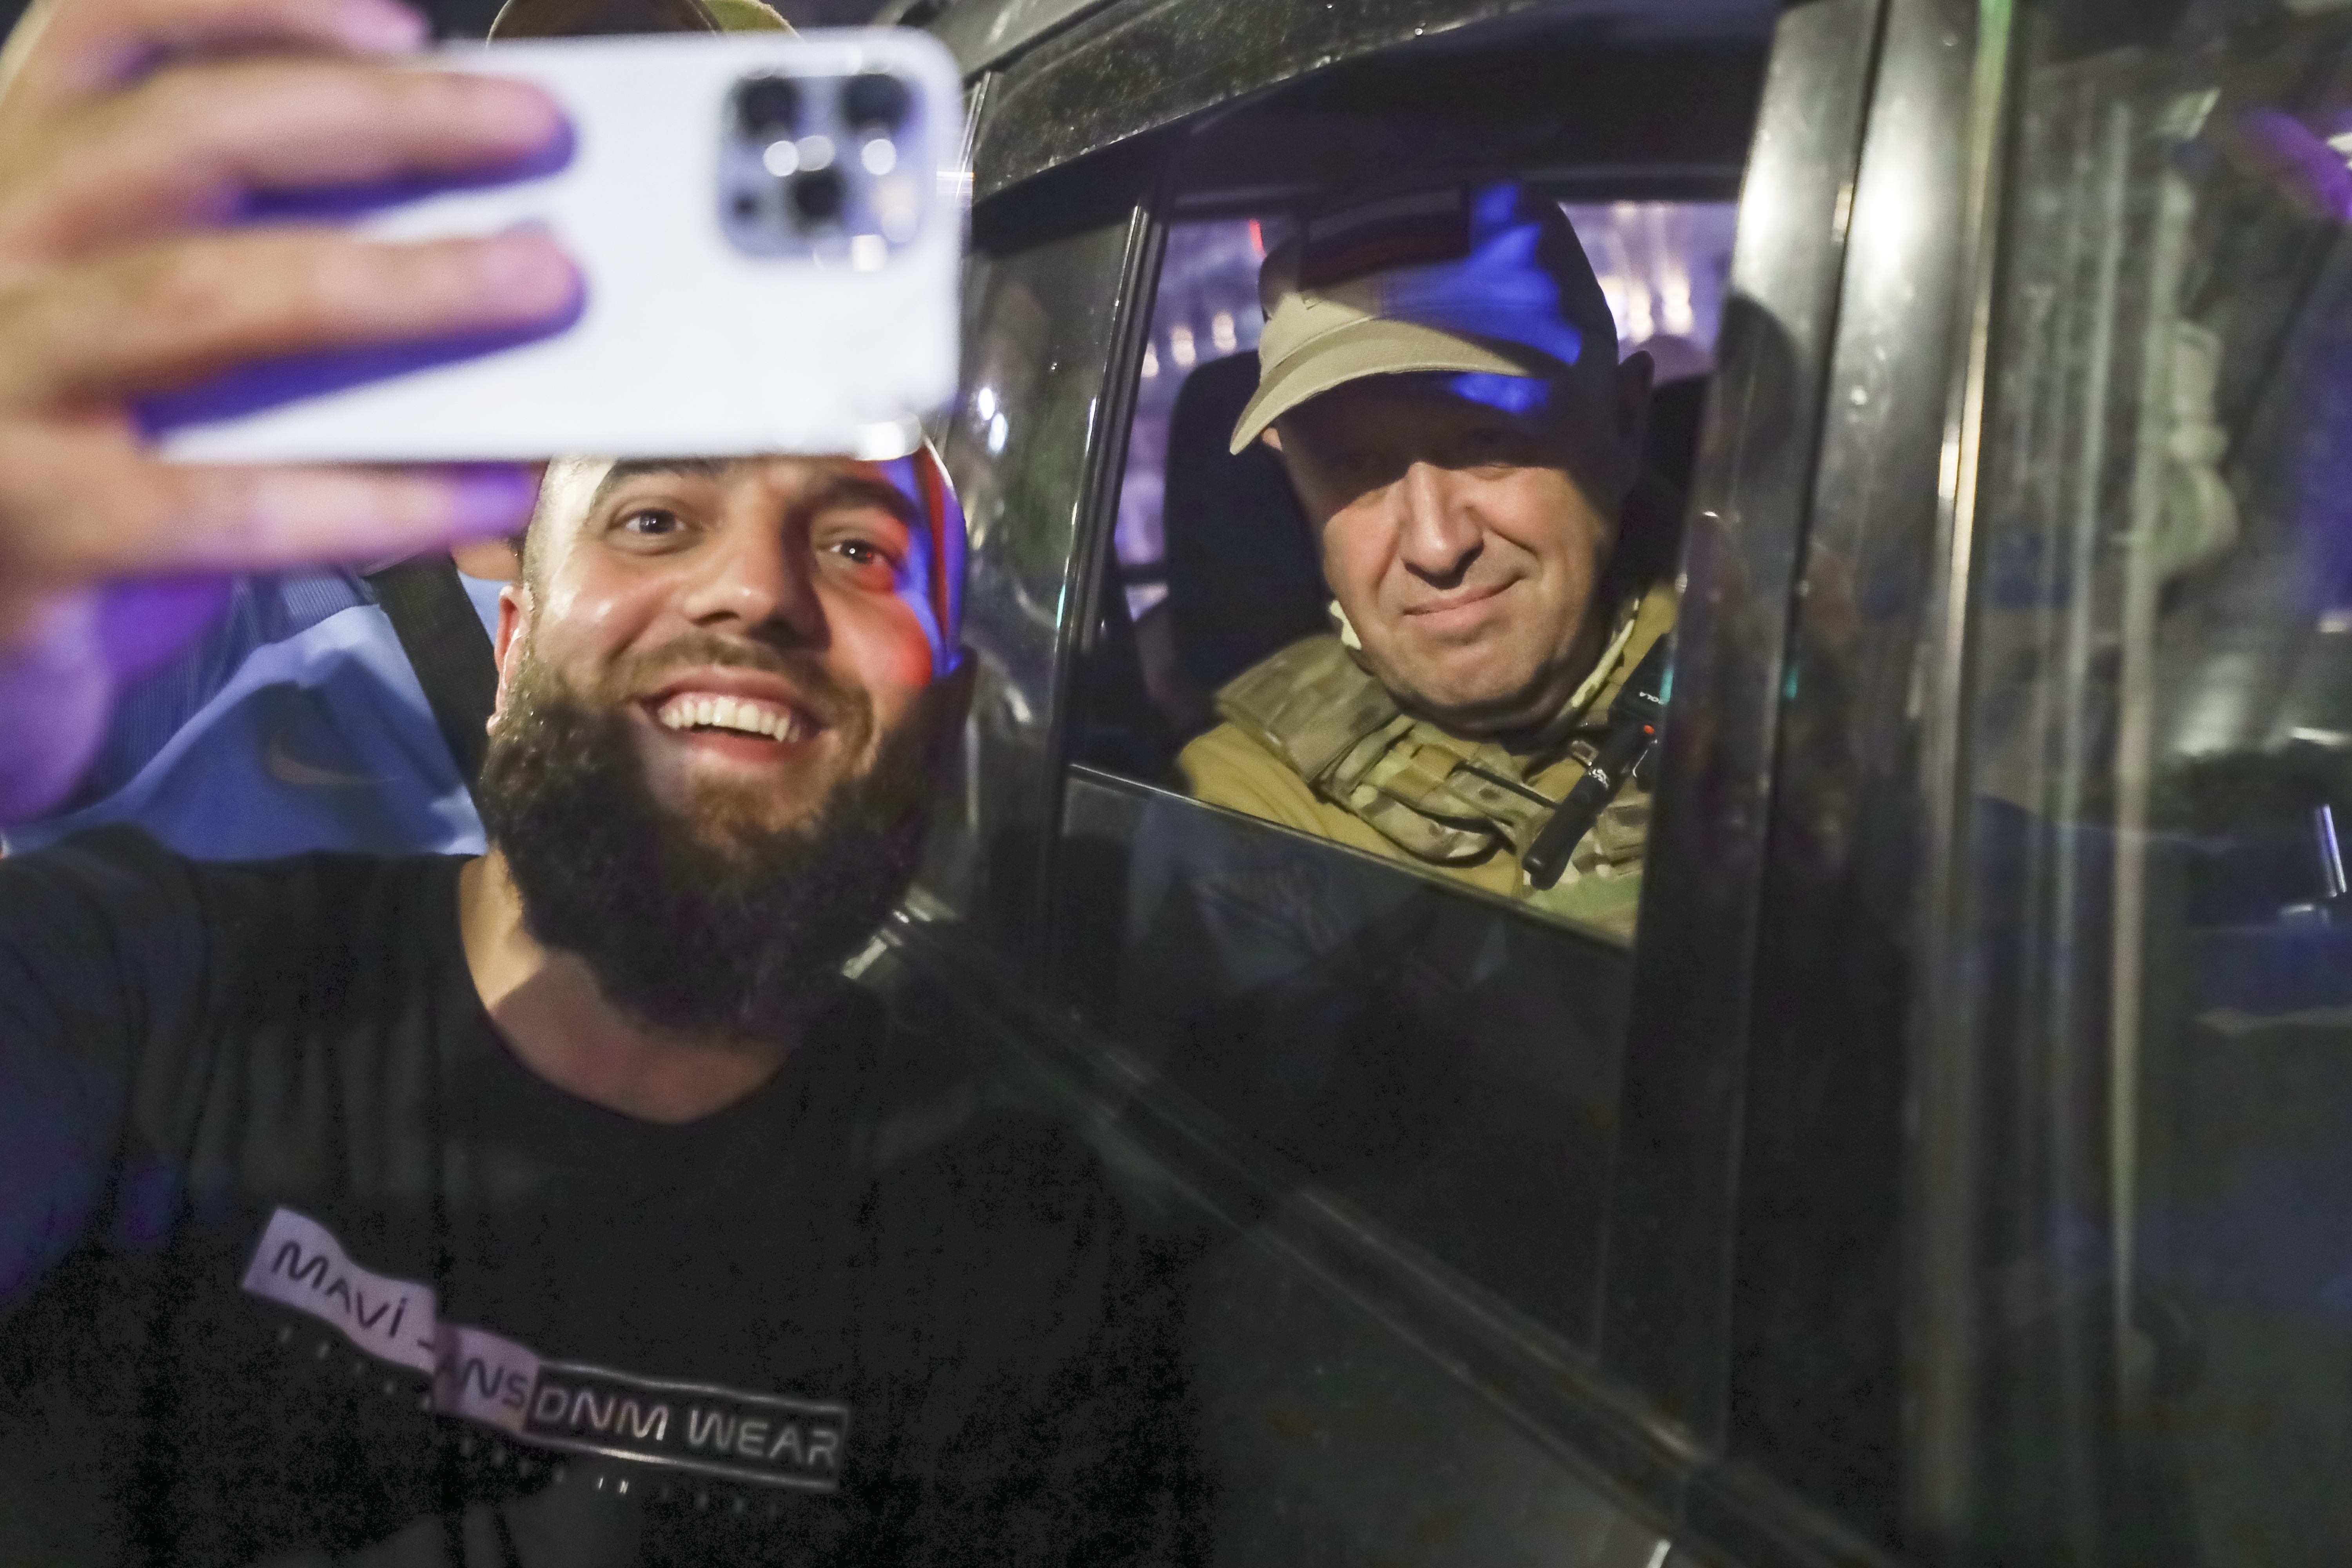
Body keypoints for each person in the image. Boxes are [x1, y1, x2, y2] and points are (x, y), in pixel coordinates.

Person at [0, 0, 1195, 1561]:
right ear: (513, 620)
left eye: (852, 546)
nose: (749, 590)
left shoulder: (1000, 1254)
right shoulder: (161, 957)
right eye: (654, 518)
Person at [1177, 185, 1676, 939]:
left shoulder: (1797, 708)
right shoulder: (1244, 809)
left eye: (1489, 441)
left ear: (1624, 422)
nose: (1437, 546)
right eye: (1354, 468)